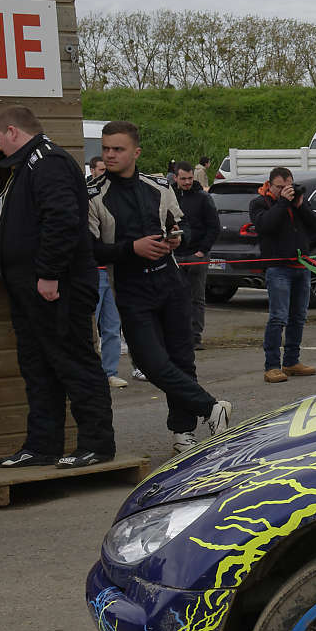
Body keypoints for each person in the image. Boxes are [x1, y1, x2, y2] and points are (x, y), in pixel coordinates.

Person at [0, 106, 116, 468]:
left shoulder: (48, 163)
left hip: (56, 288)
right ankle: (42, 445)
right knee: (38, 368)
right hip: (29, 289)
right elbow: (16, 224)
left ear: (13, 131)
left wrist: (49, 274)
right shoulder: (28, 166)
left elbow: (62, 220)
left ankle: (97, 444)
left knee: (74, 364)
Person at [88, 123, 231, 455]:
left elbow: (184, 225)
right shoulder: (93, 194)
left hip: (170, 281)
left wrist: (179, 237)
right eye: (106, 148)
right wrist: (131, 248)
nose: (110, 154)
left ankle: (183, 433)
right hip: (131, 287)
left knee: (183, 359)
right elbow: (88, 249)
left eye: (118, 149)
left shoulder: (158, 185)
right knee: (150, 362)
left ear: (136, 152)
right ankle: (211, 407)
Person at [251, 166, 316, 383]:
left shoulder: (297, 201)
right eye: (280, 187)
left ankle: (291, 361)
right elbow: (265, 226)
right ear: (270, 185)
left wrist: (300, 206)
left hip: (301, 267)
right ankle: (272, 366)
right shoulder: (259, 203)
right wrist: (283, 203)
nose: (286, 190)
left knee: (298, 317)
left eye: (289, 186)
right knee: (278, 317)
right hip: (278, 268)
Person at [86, 155, 126, 388]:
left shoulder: (114, 195)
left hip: (112, 270)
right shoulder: (87, 195)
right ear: (92, 170)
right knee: (90, 326)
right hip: (92, 270)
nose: (105, 173)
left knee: (112, 325)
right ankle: (90, 373)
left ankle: (109, 371)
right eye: (101, 170)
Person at [170, 160, 219, 349]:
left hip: (196, 255)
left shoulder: (203, 198)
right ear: (176, 178)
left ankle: (195, 336)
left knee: (196, 298)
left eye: (190, 178)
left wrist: (202, 251)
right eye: (183, 179)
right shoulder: (170, 196)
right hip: (174, 255)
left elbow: (214, 226)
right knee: (174, 297)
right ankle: (176, 335)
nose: (187, 182)